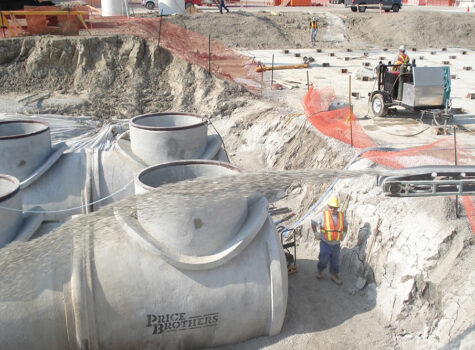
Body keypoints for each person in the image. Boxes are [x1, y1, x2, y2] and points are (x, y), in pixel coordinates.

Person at [311, 197, 348, 285]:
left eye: (335, 208)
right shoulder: (322, 215)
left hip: (336, 244)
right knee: (324, 258)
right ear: (328, 207)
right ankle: (319, 271)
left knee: (335, 260)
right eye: (331, 207)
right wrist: (316, 233)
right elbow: (313, 222)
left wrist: (344, 234)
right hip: (325, 243)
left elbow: (345, 226)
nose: (333, 209)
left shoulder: (341, 216)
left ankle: (334, 275)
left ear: (338, 208)